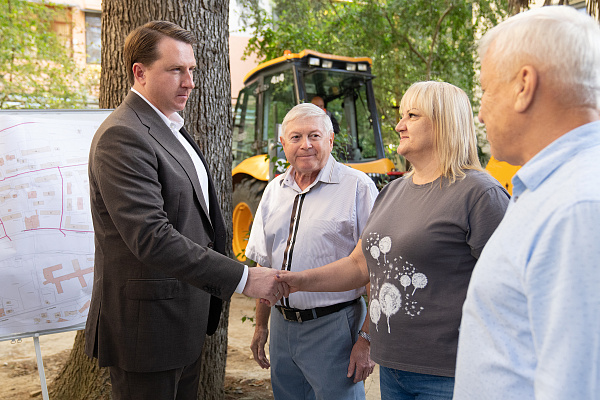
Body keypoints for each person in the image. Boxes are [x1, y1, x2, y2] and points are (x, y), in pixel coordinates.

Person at [84, 21, 286, 400]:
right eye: (176, 69)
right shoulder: (123, 135)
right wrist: (243, 277)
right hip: (147, 333)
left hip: (182, 323)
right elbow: (152, 238)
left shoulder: (168, 126)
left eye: (191, 69)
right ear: (140, 73)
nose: (190, 82)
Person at [276, 81, 510, 399]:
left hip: (448, 374)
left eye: (412, 115)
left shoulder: (480, 194)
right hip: (393, 368)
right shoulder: (393, 191)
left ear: (444, 122)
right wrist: (295, 281)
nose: (399, 125)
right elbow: (359, 265)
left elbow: (511, 290)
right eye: (402, 116)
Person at [453, 6, 600, 399]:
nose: (480, 113)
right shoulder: (554, 189)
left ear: (524, 85)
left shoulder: (578, 208)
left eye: (486, 90)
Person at [245, 103, 379, 400]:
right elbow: (264, 265)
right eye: (296, 137)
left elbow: (376, 271)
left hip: (335, 327)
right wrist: (261, 325)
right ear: (283, 144)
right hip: (282, 327)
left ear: (330, 140)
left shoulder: (358, 188)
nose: (305, 144)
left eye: (314, 135)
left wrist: (367, 339)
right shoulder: (274, 190)